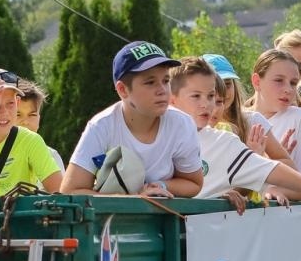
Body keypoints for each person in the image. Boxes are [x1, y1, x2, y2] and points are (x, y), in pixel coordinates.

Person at [168, 57, 301, 212]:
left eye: (211, 97)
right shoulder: (157, 133)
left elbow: (271, 169)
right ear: (172, 99)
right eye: (196, 96)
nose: (206, 104)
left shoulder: (224, 141)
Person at [61, 41, 204, 198]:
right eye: (150, 82)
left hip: (165, 219)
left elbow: (194, 183)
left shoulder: (181, 123)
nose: (162, 90)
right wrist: (134, 199)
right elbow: (70, 190)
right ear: (122, 90)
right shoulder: (101, 126)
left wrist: (161, 185)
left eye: (166, 80)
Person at [0, 77, 63, 196]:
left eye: (10, 104)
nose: (3, 112)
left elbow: (60, 193)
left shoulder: (31, 140)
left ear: (17, 103)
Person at [245, 49, 301, 183]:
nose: (288, 89)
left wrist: (274, 161)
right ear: (257, 81)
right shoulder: (240, 118)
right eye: (279, 80)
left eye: (293, 83)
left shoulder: (298, 117)